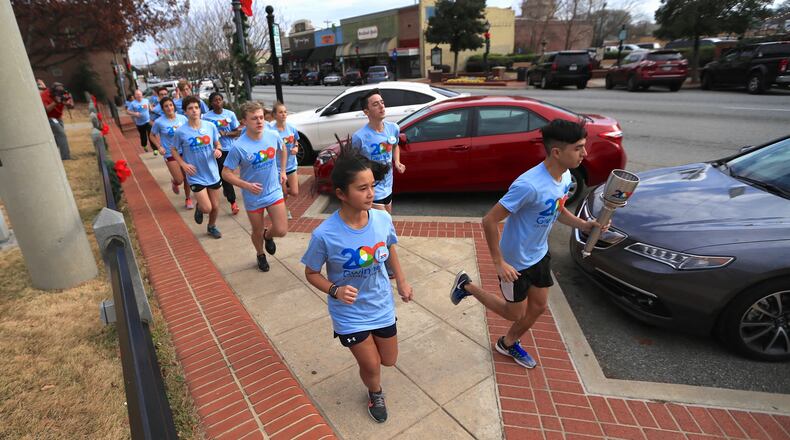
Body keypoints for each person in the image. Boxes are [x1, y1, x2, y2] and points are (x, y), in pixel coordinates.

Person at [449, 119, 606, 369]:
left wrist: (584, 225)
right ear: (557, 151)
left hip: (539, 254)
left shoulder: (565, 177)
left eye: (583, 146)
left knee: (539, 307)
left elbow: (558, 209)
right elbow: (489, 220)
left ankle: (507, 344)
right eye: (578, 148)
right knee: (514, 313)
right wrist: (499, 262)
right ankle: (467, 286)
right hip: (515, 262)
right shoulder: (528, 185)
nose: (584, 153)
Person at [301, 144, 413, 423]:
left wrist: (401, 280)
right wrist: (335, 290)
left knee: (389, 360)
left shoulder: (382, 218)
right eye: (362, 188)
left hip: (380, 304)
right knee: (372, 365)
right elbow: (311, 273)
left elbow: (390, 248)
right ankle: (375, 392)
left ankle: (373, 373)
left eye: (372, 186)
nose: (371, 193)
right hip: (349, 313)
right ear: (341, 194)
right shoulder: (324, 235)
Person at [221, 101, 289, 272]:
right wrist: (246, 185)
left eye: (261, 118)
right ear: (244, 121)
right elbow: (226, 173)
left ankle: (268, 235)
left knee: (281, 230)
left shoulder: (272, 135)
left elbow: (283, 149)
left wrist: (282, 171)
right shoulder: (238, 146)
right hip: (253, 196)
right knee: (256, 230)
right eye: (254, 119)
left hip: (273, 190)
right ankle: (260, 254)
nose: (259, 122)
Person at [172, 96, 224, 239]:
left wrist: (218, 150)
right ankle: (200, 208)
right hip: (195, 174)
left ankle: (211, 226)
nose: (194, 111)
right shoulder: (181, 132)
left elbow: (217, 143)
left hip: (212, 172)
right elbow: (174, 150)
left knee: (215, 206)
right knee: (207, 207)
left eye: (196, 107)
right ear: (185, 112)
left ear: (200, 109)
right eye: (190, 108)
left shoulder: (210, 126)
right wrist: (183, 164)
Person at [351, 89, 406, 214]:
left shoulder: (393, 128)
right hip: (372, 189)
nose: (381, 106)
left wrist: (397, 162)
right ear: (366, 111)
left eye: (382, 102)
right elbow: (352, 161)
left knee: (386, 223)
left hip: (388, 185)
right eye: (375, 104)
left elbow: (395, 145)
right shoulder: (359, 137)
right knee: (384, 224)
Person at [150, 96, 193, 209]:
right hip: (170, 153)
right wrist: (159, 146)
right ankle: (175, 182)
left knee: (187, 177)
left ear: (173, 106)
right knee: (180, 179)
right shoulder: (159, 122)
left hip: (185, 151)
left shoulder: (182, 118)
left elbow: (188, 131)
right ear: (162, 109)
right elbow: (152, 135)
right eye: (166, 106)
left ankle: (188, 199)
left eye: (170, 105)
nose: (169, 108)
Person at [203, 92, 242, 215]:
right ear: (211, 103)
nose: (218, 102)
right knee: (225, 175)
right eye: (215, 100)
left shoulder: (230, 114)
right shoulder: (206, 117)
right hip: (217, 151)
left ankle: (227, 189)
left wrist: (225, 134)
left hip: (231, 149)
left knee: (226, 174)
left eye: (220, 99)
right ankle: (233, 202)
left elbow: (237, 132)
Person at [269, 101, 300, 219]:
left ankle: (277, 194)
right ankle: (285, 208)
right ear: (275, 115)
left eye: (285, 112)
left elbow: (296, 140)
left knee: (295, 192)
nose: (283, 114)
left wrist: (296, 147)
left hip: (291, 165)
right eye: (280, 112)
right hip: (277, 167)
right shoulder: (271, 130)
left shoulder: (291, 127)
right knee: (284, 193)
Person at [40, 80, 74, 160]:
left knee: (58, 138)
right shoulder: (44, 95)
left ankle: (48, 152)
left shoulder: (63, 93)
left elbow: (71, 106)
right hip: (49, 117)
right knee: (61, 134)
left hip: (58, 117)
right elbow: (46, 110)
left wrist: (68, 103)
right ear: (53, 92)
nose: (60, 94)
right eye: (58, 93)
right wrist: (55, 102)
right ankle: (66, 157)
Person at [126, 89, 154, 154]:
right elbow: (128, 111)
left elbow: (150, 108)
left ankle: (155, 149)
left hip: (148, 121)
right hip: (140, 123)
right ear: (135, 96)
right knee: (143, 136)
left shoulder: (146, 100)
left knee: (151, 135)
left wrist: (152, 109)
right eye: (137, 94)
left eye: (139, 94)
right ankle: (144, 145)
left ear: (142, 94)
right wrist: (135, 114)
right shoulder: (133, 103)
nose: (139, 96)